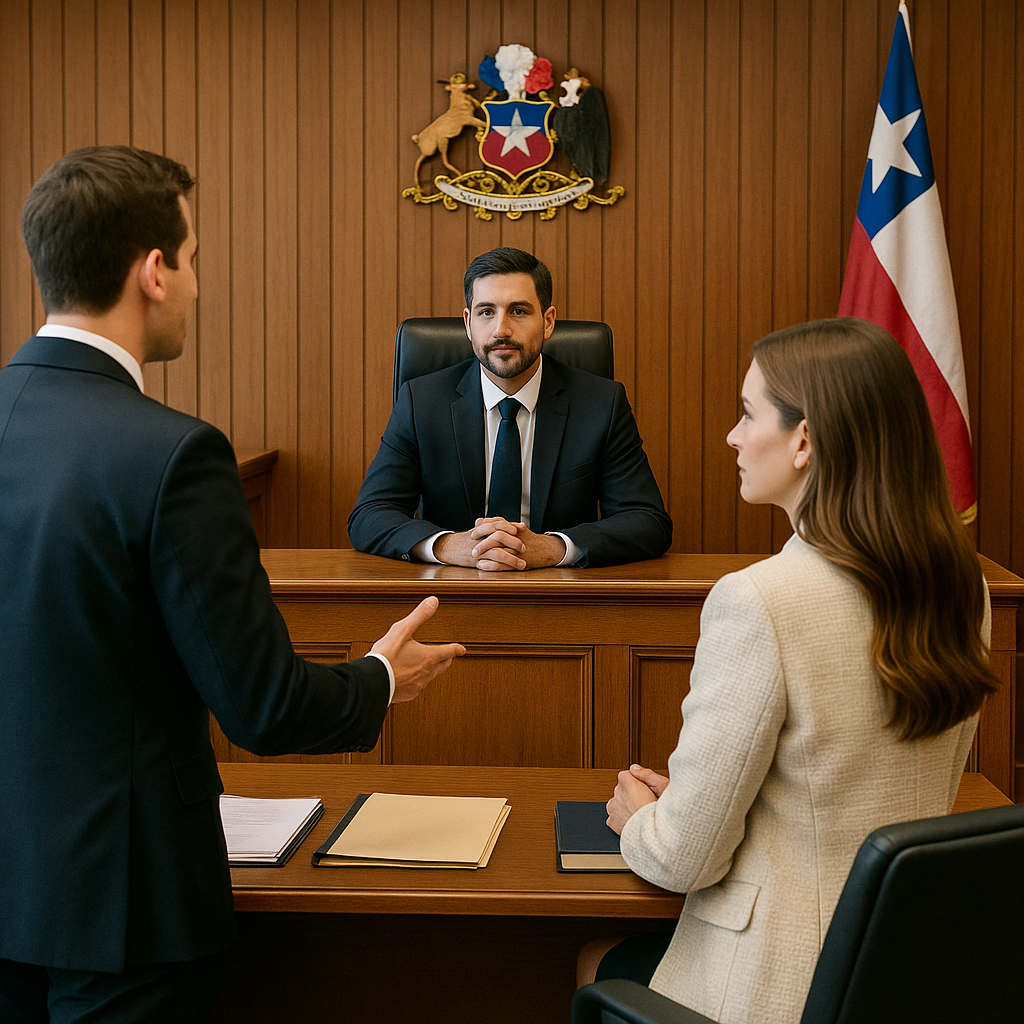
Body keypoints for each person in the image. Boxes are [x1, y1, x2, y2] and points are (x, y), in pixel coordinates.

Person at [0, 146, 465, 1023]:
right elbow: (263, 707)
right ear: (153, 273)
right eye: (194, 258)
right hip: (128, 910)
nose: (197, 284)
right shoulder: (173, 454)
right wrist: (382, 679)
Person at [580, 318, 999, 1024]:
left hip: (781, 984)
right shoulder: (965, 587)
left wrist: (644, 820)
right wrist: (705, 801)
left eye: (748, 414)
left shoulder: (759, 601)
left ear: (804, 440)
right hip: (904, 971)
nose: (732, 437)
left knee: (599, 961)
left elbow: (684, 861)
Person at [347, 247, 672, 569]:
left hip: (559, 589)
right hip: (452, 588)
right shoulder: (421, 402)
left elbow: (647, 520)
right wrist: (449, 546)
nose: (501, 330)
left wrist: (554, 548)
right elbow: (369, 515)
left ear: (547, 322)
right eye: (486, 312)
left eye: (518, 311)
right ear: (468, 323)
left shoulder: (601, 403)